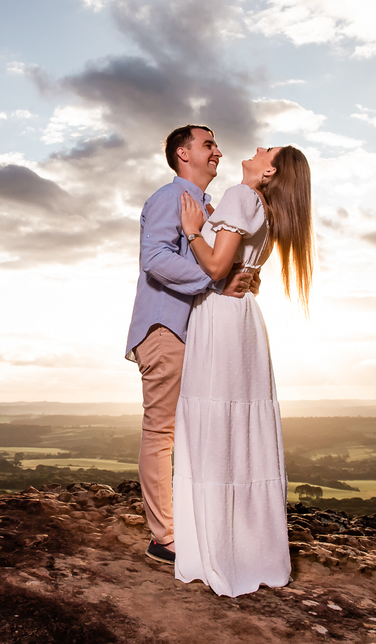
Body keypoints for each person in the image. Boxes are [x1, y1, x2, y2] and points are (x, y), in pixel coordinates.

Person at [172, 145, 314, 597]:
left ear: (269, 170)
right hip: (244, 319)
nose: (255, 149)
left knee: (216, 430)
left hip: (219, 317)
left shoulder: (239, 195)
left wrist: (193, 232)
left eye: (264, 149)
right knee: (241, 434)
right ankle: (252, 551)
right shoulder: (267, 209)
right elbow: (241, 268)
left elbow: (215, 266)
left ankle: (220, 552)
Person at [125, 125, 255, 566]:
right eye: (208, 144)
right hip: (165, 329)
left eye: (217, 144)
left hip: (191, 333)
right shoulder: (171, 199)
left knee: (191, 431)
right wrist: (214, 277)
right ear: (183, 153)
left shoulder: (206, 207)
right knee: (161, 432)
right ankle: (164, 538)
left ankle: (191, 525)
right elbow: (156, 258)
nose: (217, 151)